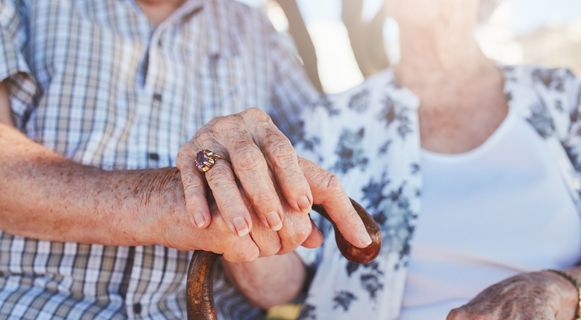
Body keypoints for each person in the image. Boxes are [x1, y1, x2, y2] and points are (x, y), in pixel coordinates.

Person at [193, 0, 581, 319]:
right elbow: (279, 288)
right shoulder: (335, 118)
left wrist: (562, 290)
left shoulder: (557, 95)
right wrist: (242, 205)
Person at [0, 0, 371, 319]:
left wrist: (247, 203)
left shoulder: (260, 37)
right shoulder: (22, 7)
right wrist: (164, 202)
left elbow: (290, 279)